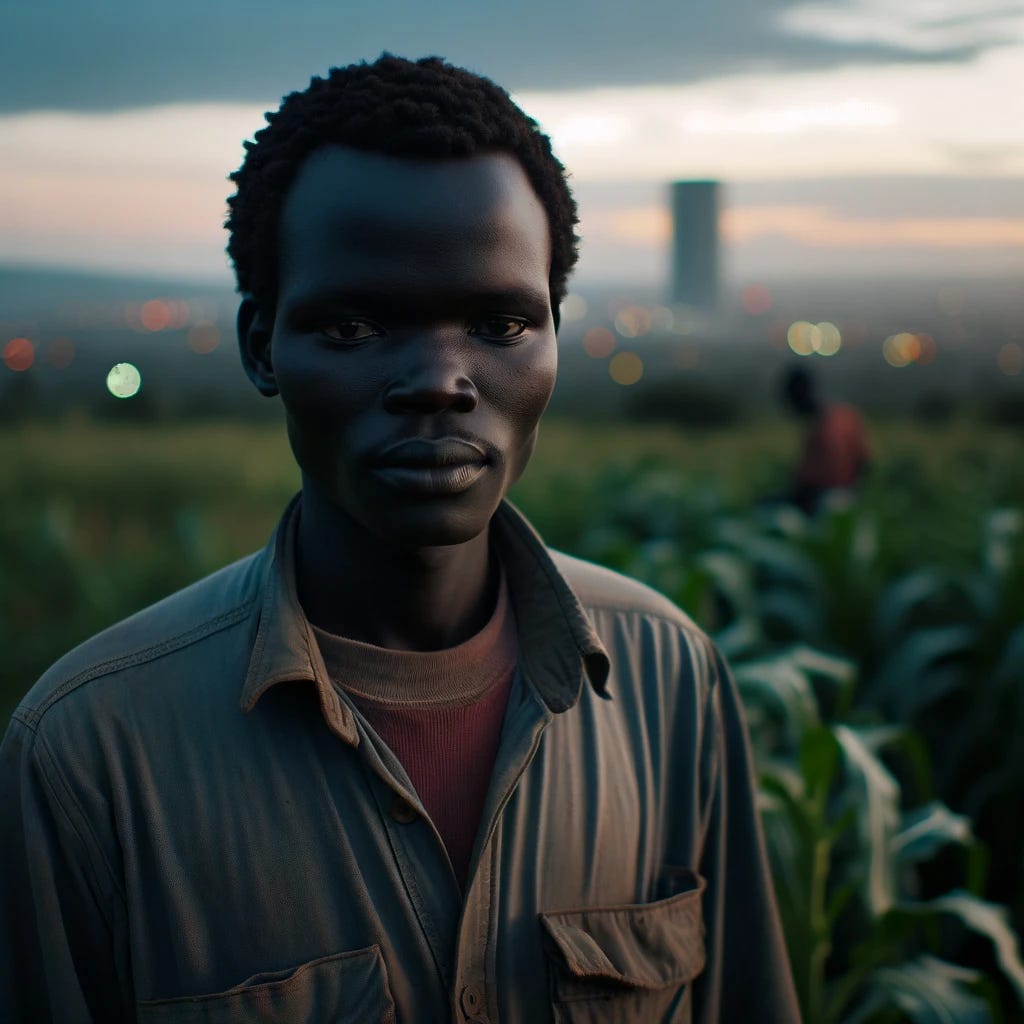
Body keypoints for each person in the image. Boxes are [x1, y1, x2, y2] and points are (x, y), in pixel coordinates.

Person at [0, 55, 799, 1023]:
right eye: (353, 326)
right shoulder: (90, 757)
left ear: (555, 335)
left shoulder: (668, 680)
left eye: (501, 323)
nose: (438, 379)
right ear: (261, 345)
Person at [781, 365, 870, 515]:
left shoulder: (821, 427)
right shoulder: (847, 415)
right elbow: (866, 462)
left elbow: (813, 480)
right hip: (850, 498)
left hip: (825, 504)